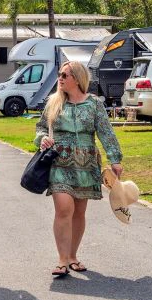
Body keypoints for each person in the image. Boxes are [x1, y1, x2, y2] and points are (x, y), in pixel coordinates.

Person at [34, 61, 123, 278]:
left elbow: (106, 132)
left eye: (65, 75)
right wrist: (42, 138)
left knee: (79, 212)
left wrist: (115, 158)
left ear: (77, 78)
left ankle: (72, 256)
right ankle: (62, 260)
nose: (60, 78)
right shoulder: (53, 102)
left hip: (86, 163)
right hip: (59, 161)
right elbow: (41, 128)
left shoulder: (93, 104)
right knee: (64, 209)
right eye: (60, 74)